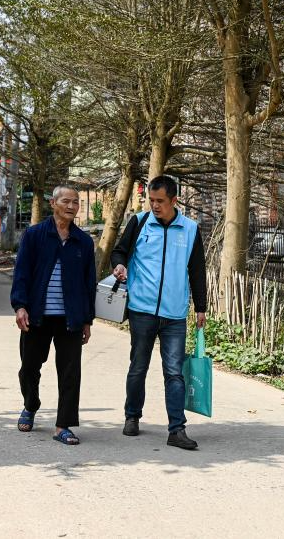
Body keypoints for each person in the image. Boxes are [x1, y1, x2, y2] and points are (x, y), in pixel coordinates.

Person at [111, 175, 207, 450]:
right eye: (151, 200)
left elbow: (197, 270)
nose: (154, 205)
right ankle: (132, 416)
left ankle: (177, 429)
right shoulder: (140, 222)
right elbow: (119, 251)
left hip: (175, 314)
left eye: (160, 201)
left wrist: (201, 307)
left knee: (174, 372)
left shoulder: (190, 229)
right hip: (141, 309)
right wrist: (119, 265)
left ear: (174, 200)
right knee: (138, 366)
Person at [10, 185, 96, 445]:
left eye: (76, 202)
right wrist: (20, 306)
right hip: (37, 316)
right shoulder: (35, 235)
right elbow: (22, 272)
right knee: (29, 368)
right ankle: (30, 404)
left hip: (70, 318)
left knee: (70, 373)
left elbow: (88, 283)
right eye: (66, 201)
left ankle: (63, 426)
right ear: (53, 203)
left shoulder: (83, 241)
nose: (71, 206)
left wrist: (87, 320)